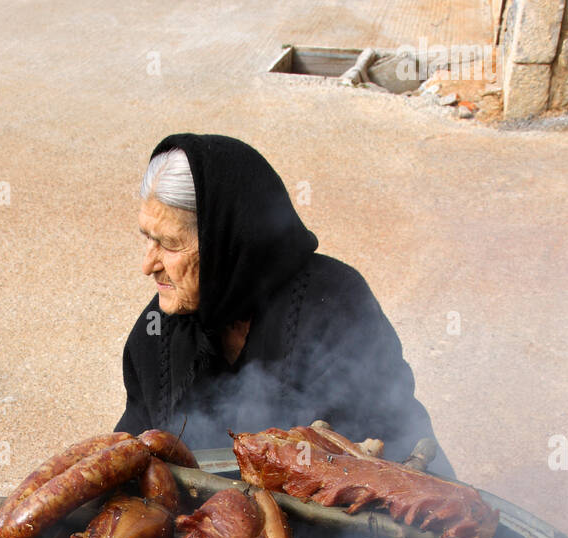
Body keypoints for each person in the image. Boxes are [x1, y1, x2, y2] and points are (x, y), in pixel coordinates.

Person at [116, 133, 454, 476]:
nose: (148, 265)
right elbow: (131, 453)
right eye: (148, 237)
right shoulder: (157, 334)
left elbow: (382, 455)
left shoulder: (335, 307)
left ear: (227, 242)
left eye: (170, 244)